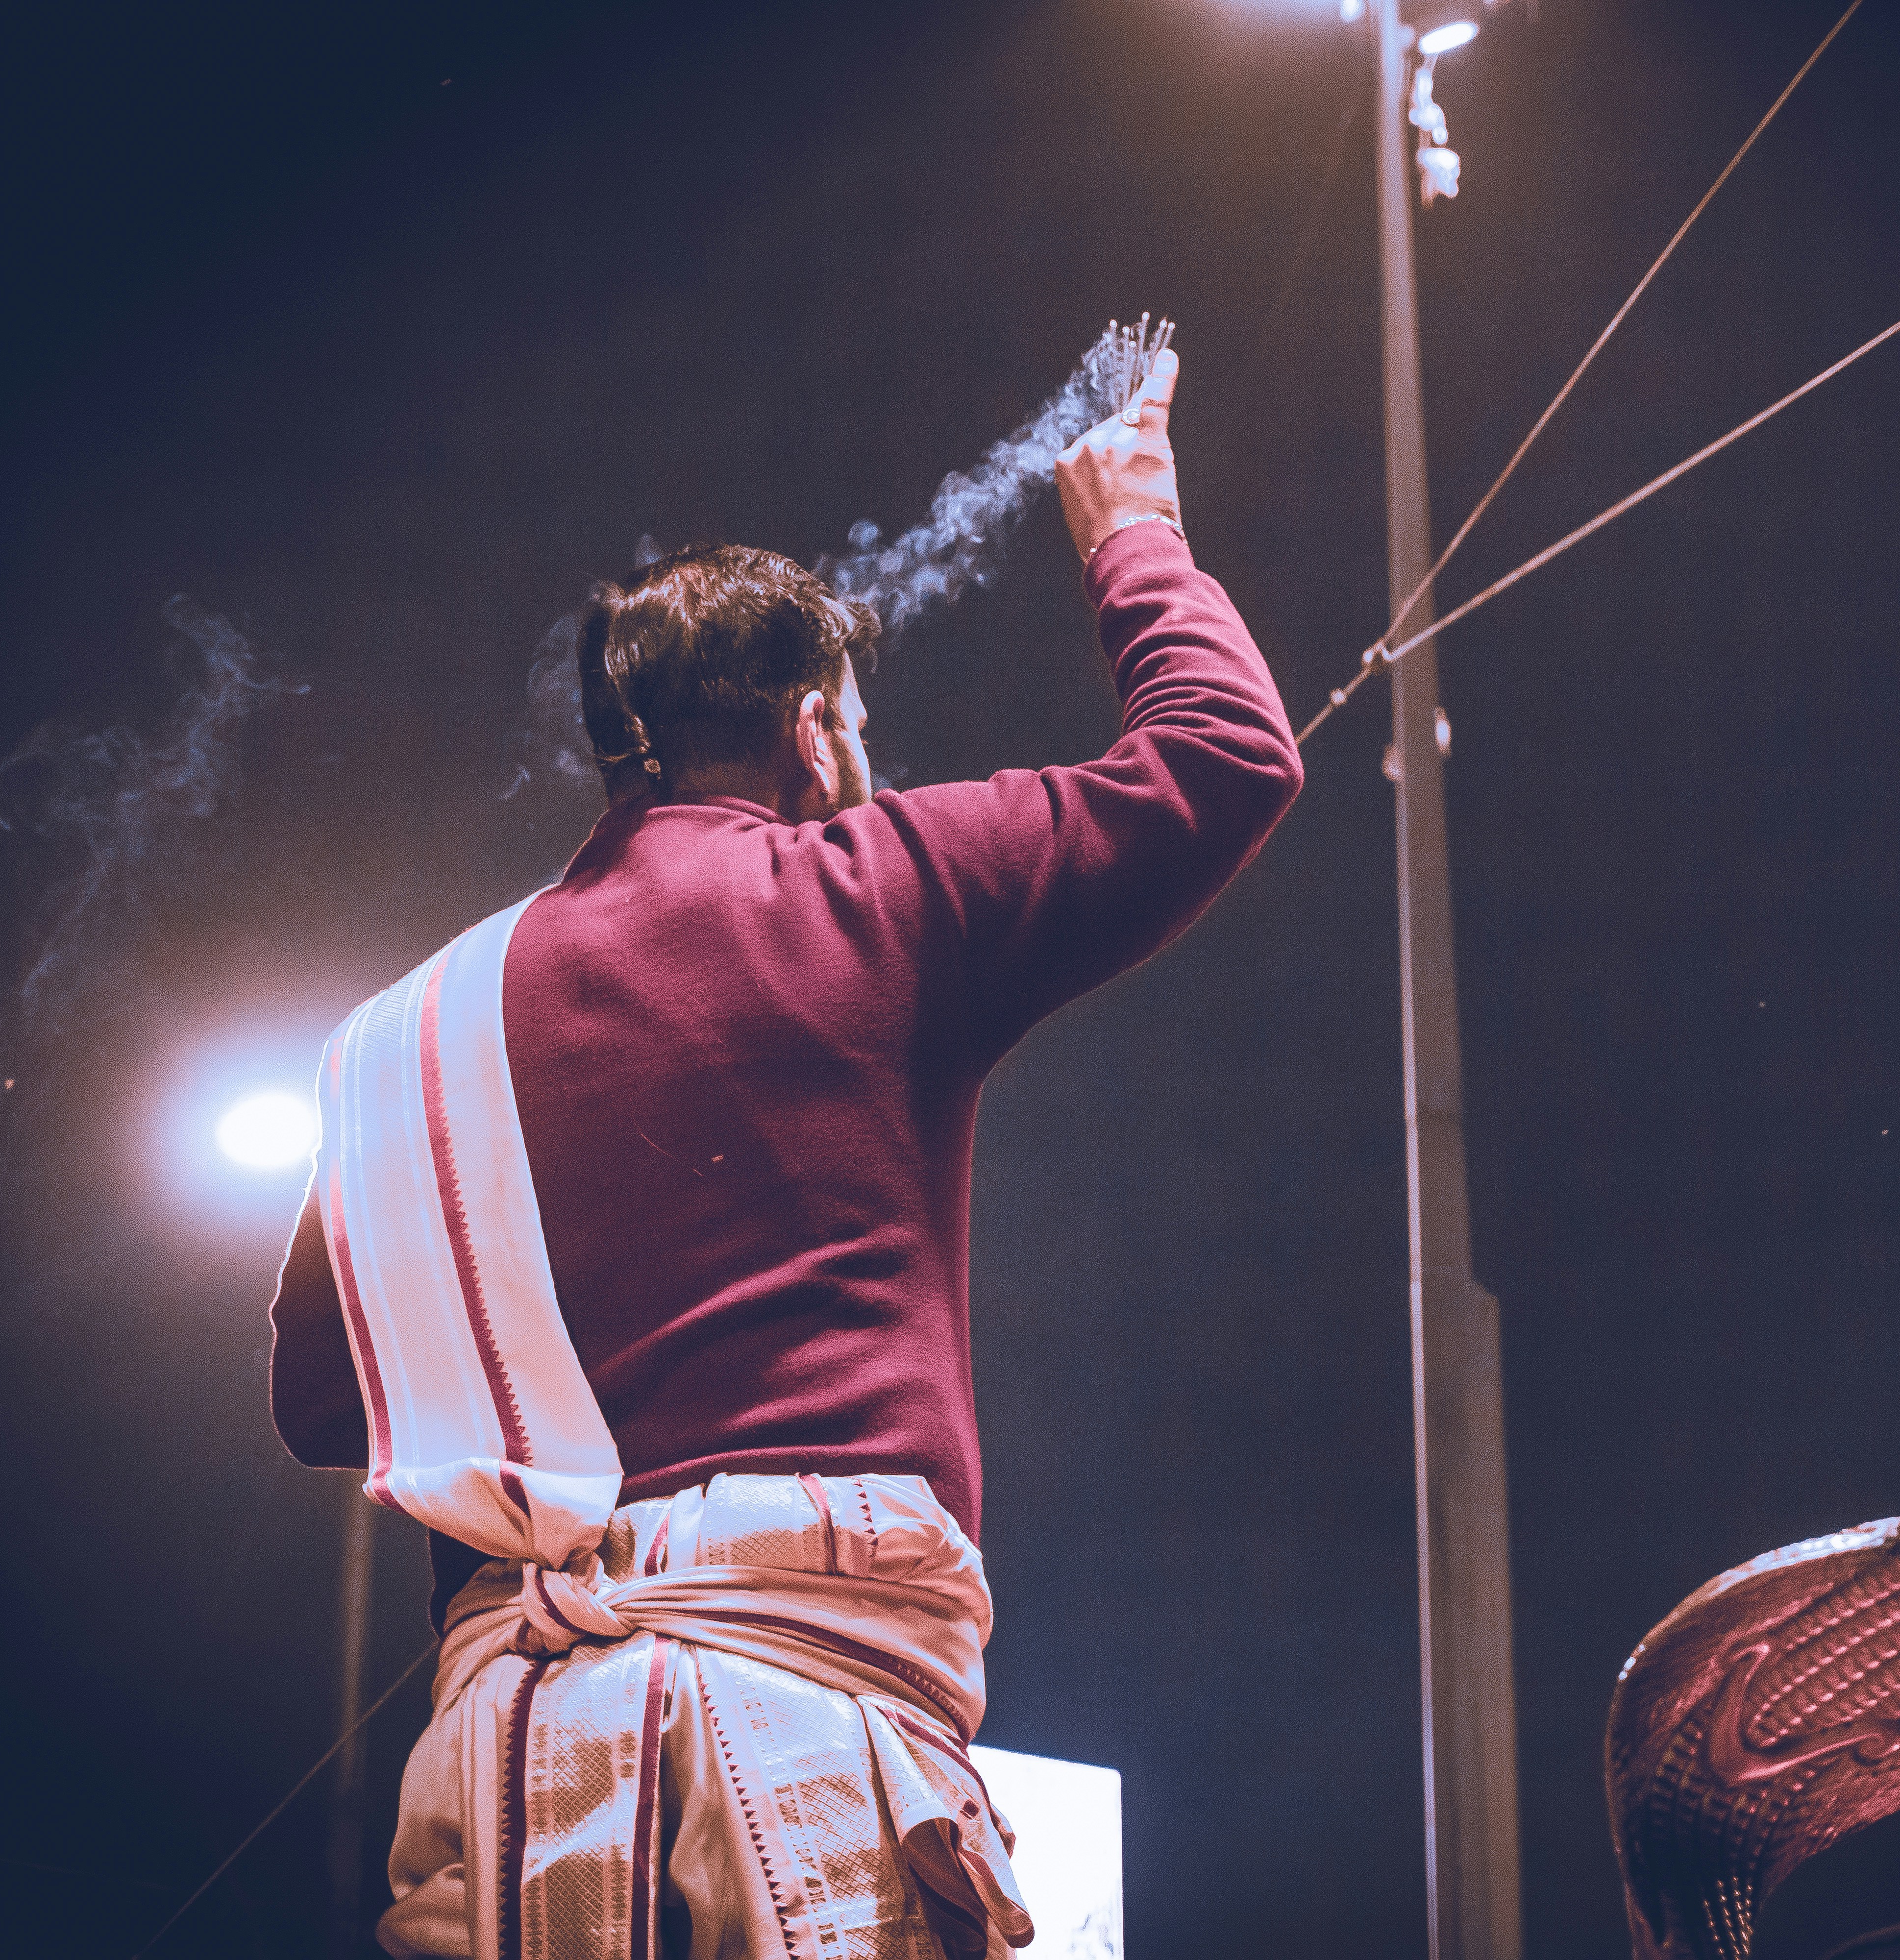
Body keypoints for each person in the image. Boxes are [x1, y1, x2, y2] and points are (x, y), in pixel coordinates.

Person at [267, 348, 1299, 1957]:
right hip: (805, 1741)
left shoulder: (400, 1034)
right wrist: (1135, 534)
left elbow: (326, 1403)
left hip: (507, 1765)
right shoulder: (875, 885)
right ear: (815, 733)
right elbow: (1227, 760)